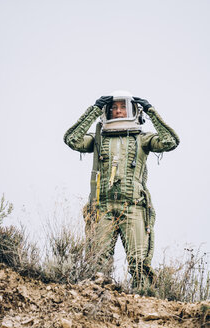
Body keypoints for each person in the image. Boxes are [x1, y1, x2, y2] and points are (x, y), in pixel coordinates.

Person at [64, 91, 180, 288]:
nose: (118, 111)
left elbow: (170, 141)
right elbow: (72, 139)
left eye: (123, 107)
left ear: (133, 110)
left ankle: (142, 305)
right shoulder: (99, 139)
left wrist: (151, 112)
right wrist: (92, 111)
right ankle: (98, 305)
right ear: (107, 112)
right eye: (113, 108)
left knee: (139, 264)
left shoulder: (142, 139)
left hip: (134, 207)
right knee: (97, 263)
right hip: (102, 208)